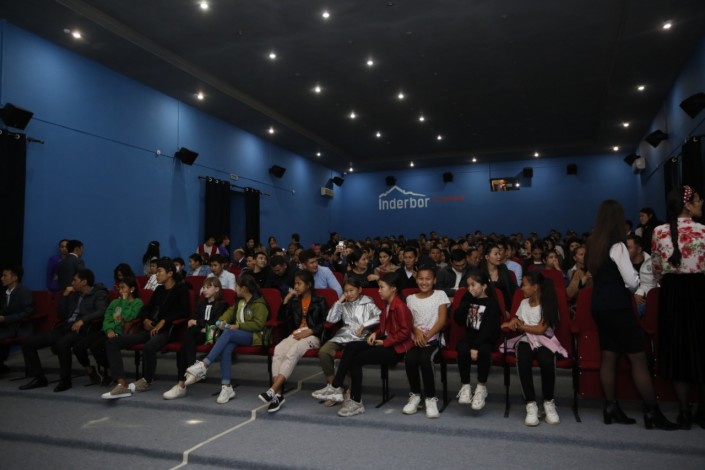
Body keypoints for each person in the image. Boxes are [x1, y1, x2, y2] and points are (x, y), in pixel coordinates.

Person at [586, 199, 677, 430]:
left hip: (599, 304)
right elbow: (632, 281)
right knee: (638, 358)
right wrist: (635, 283)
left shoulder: (593, 242)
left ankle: (611, 407)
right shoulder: (617, 245)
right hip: (618, 305)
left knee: (609, 355)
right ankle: (652, 411)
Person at [317, 272, 414, 417]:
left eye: (381, 287)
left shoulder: (400, 306)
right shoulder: (388, 304)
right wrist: (376, 333)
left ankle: (354, 400)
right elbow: (384, 326)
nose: (378, 291)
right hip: (386, 343)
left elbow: (405, 333)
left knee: (356, 360)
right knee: (351, 346)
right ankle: (336, 386)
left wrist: (385, 341)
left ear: (393, 288)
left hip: (395, 349)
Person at [651, 186, 705, 429]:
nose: (701, 203)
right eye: (698, 200)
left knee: (677, 349)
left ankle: (683, 411)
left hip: (672, 294)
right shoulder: (702, 231)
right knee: (701, 347)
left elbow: (656, 268)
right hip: (699, 292)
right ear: (688, 205)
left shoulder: (658, 232)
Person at [102, 258, 190, 399]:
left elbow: (184, 311)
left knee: (149, 346)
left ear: (170, 273)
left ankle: (146, 380)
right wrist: (145, 319)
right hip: (150, 329)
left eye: (159, 271)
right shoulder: (159, 290)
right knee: (112, 342)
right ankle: (122, 383)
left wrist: (165, 320)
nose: (156, 274)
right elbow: (146, 309)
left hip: (169, 330)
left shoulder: (181, 288)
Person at [180, 275, 268, 403]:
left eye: (237, 286)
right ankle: (227, 387)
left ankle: (204, 365)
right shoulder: (239, 302)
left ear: (244, 288)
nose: (235, 288)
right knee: (226, 349)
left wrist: (238, 326)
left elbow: (258, 324)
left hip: (254, 335)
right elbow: (227, 314)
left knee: (228, 333)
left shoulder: (259, 303)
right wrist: (220, 322)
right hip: (238, 335)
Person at [20, 269, 108, 392]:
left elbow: (101, 311)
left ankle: (65, 381)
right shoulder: (74, 294)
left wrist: (83, 320)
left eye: (75, 280)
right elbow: (61, 315)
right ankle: (39, 378)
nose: (72, 283)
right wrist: (65, 296)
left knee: (62, 344)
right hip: (65, 327)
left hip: (83, 329)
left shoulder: (99, 293)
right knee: (28, 343)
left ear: (84, 282)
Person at [502, 271, 567, 426]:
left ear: (535, 287)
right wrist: (513, 322)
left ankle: (548, 402)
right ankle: (531, 404)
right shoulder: (523, 303)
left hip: (545, 341)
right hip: (526, 340)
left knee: (547, 362)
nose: (522, 288)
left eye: (524, 285)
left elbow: (540, 329)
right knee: (523, 360)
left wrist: (521, 326)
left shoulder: (548, 303)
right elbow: (517, 321)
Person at [258, 270, 327, 413]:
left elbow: (326, 322)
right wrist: (286, 300)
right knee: (278, 350)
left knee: (293, 352)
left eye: (299, 283)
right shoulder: (295, 301)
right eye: (295, 283)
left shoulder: (320, 300)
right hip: (296, 334)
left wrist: (311, 331)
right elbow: (281, 318)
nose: (296, 286)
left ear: (308, 285)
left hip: (313, 336)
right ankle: (277, 395)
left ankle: (272, 389)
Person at [311, 277, 381, 404]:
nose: (348, 294)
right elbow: (331, 319)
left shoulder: (368, 302)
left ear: (359, 290)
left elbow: (380, 317)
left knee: (348, 355)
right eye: (346, 291)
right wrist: (339, 301)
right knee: (324, 351)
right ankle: (334, 388)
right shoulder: (343, 305)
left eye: (351, 290)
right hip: (343, 335)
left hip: (360, 337)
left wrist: (364, 325)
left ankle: (350, 390)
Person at [162, 277, 228, 401]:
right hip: (199, 333)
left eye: (208, 287)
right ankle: (192, 370)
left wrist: (198, 323)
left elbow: (215, 322)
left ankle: (182, 384)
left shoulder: (222, 305)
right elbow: (192, 319)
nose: (205, 290)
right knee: (187, 338)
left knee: (185, 343)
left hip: (213, 334)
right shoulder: (200, 304)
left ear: (217, 289)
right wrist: (200, 324)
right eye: (204, 287)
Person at [74, 276, 143, 386]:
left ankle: (111, 371)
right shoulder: (114, 302)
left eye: (123, 288)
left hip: (121, 332)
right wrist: (109, 329)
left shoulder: (137, 303)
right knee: (79, 345)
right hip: (107, 330)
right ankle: (108, 368)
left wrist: (124, 301)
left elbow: (128, 317)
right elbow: (107, 318)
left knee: (95, 346)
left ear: (132, 289)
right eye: (119, 288)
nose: (120, 290)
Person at [402, 266, 449, 418]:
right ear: (416, 280)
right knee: (410, 359)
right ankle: (415, 395)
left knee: (425, 359)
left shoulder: (440, 295)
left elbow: (442, 320)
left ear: (434, 280)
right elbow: (409, 321)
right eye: (421, 279)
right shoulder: (410, 298)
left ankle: (430, 398)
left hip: (434, 339)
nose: (424, 282)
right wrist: (416, 332)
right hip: (416, 340)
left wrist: (427, 336)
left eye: (428, 279)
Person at [454, 270, 501, 410]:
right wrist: (466, 300)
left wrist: (475, 347)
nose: (470, 288)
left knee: (484, 351)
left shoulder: (492, 303)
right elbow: (458, 319)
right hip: (470, 337)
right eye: (468, 285)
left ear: (484, 286)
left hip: (485, 339)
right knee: (462, 348)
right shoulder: (468, 299)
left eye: (473, 285)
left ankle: (481, 387)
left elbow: (489, 329)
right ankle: (465, 386)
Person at [0, 266, 34, 372]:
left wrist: (5, 318)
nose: (2, 278)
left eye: (5, 275)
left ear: (15, 278)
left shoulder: (24, 292)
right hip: (7, 326)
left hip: (20, 327)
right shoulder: (5, 292)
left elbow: (27, 313)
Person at [483, 243, 517, 319]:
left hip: (505, 307)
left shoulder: (503, 268)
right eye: (496, 254)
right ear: (487, 257)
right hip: (487, 308)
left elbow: (513, 288)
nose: (499, 257)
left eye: (499, 253)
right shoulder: (480, 272)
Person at [626, 235, 657, 318]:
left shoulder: (653, 262)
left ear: (639, 249)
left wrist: (640, 294)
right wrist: (633, 297)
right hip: (629, 300)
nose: (625, 251)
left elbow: (655, 284)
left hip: (649, 299)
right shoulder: (623, 265)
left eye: (629, 248)